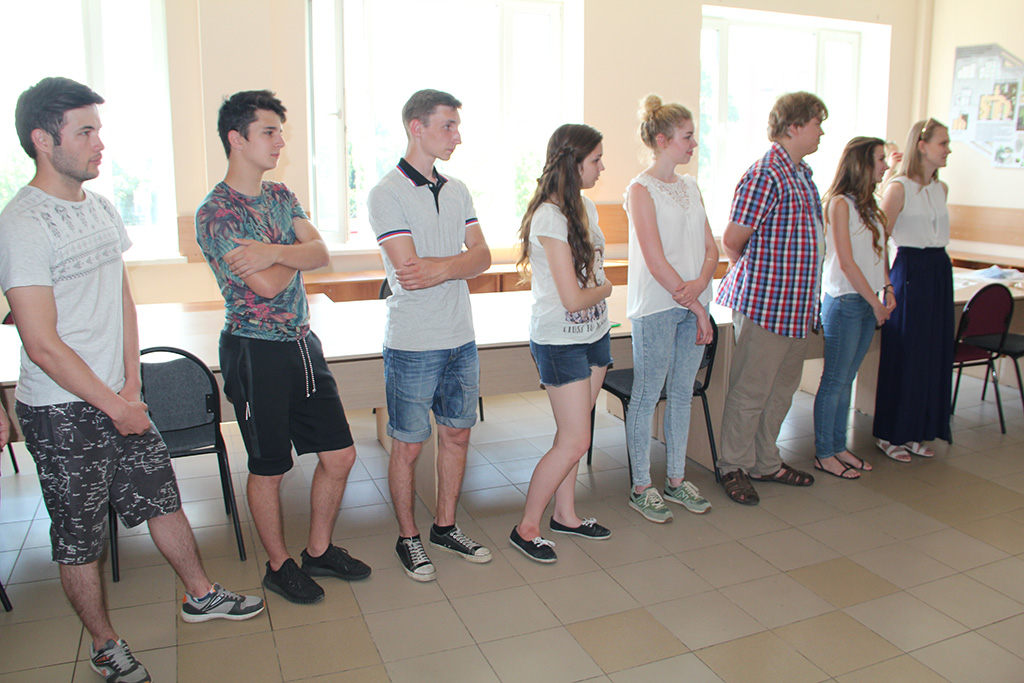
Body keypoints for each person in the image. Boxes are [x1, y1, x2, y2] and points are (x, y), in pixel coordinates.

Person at [0, 77, 264, 683]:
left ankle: (200, 594)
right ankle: (104, 644)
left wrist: (131, 389)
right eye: (85, 132)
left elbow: (122, 299)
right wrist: (113, 404)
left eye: (98, 129)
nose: (100, 143)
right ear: (44, 140)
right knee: (80, 539)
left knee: (163, 499)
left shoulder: (99, 207)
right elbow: (41, 343)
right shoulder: (22, 224)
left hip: (120, 396)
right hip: (63, 410)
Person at [196, 90, 370, 605]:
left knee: (340, 455)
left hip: (300, 343)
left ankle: (318, 550)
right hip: (255, 350)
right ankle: (279, 565)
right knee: (270, 467)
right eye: (269, 132)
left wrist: (272, 250)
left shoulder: (280, 194)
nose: (279, 142)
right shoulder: (217, 213)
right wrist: (296, 253)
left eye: (279, 131)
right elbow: (270, 287)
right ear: (237, 138)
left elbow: (321, 253)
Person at [367, 90, 493, 582]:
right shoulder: (386, 193)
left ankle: (444, 527)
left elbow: (484, 257)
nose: (457, 136)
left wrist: (443, 266)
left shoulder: (457, 190)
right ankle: (409, 537)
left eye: (457, 126)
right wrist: (459, 264)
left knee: (457, 435)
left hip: (460, 335)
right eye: (447, 126)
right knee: (408, 446)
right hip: (413, 341)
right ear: (416, 128)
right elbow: (409, 271)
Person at [714, 91, 827, 505]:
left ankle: (765, 461)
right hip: (768, 305)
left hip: (797, 306)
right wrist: (762, 277)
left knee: (781, 391)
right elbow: (733, 240)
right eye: (817, 123)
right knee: (751, 391)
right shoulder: (766, 174)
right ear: (794, 126)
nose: (822, 132)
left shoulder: (802, 173)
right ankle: (733, 465)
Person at [509, 123, 613, 563]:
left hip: (595, 334)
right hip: (561, 341)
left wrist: (598, 293)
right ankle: (526, 527)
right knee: (574, 440)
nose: (602, 168)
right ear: (573, 163)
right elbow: (573, 298)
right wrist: (606, 289)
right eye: (596, 160)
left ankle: (565, 514)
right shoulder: (549, 217)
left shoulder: (584, 206)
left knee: (576, 434)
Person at [623, 96, 717, 523]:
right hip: (658, 306)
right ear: (662, 140)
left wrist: (699, 289)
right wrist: (697, 305)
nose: (694, 144)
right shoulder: (640, 190)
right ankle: (641, 486)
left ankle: (676, 480)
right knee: (647, 395)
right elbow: (656, 260)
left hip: (693, 301)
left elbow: (711, 247)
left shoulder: (691, 186)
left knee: (682, 393)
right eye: (687, 136)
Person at [813, 137, 896, 478]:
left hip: (867, 300)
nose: (886, 166)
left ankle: (838, 446)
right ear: (862, 163)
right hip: (846, 301)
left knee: (847, 379)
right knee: (834, 380)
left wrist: (887, 288)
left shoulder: (870, 205)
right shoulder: (839, 204)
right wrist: (876, 304)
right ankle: (824, 452)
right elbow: (846, 263)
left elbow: (880, 252)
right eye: (880, 159)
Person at [873, 119, 953, 460]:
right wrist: (886, 285)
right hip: (910, 271)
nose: (948, 150)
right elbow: (880, 240)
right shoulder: (899, 187)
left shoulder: (941, 188)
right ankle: (891, 433)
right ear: (922, 146)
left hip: (938, 270)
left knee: (932, 352)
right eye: (943, 143)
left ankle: (917, 429)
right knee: (906, 352)